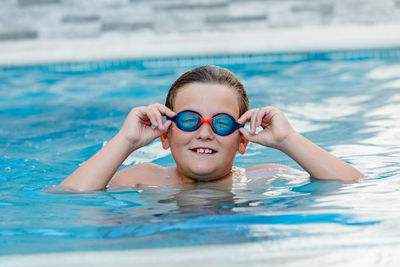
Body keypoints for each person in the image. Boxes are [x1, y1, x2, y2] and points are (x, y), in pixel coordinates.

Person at [60, 65, 363, 192]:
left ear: (242, 140)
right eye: (190, 120)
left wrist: (288, 139)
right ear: (166, 135)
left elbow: (350, 184)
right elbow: (71, 197)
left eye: (221, 123)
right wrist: (125, 141)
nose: (204, 133)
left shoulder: (264, 177)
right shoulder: (143, 178)